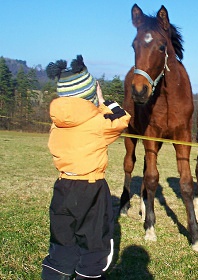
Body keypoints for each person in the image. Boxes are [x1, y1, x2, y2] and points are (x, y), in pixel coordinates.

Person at [41, 55, 131, 280]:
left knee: (62, 242)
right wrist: (102, 101)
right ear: (89, 95)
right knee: (94, 246)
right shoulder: (98, 124)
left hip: (62, 188)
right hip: (91, 189)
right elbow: (122, 119)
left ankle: (55, 273)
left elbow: (79, 114)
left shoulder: (57, 123)